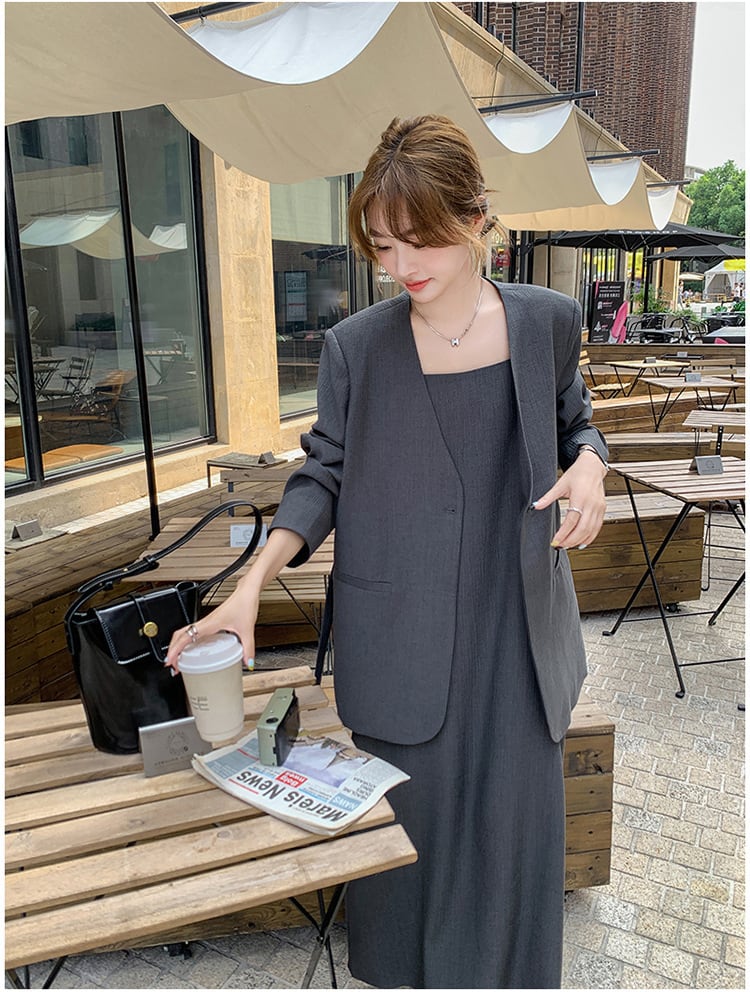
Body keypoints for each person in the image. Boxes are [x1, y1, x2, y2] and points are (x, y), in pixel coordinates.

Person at [167, 115, 608, 989]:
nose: (402, 264)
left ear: (475, 220)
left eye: (421, 238)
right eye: (382, 244)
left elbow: (578, 426)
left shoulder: (547, 324)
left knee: (512, 850)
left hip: (519, 640)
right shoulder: (357, 348)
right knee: (408, 858)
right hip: (401, 640)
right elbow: (322, 474)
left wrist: (591, 465)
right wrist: (251, 585)